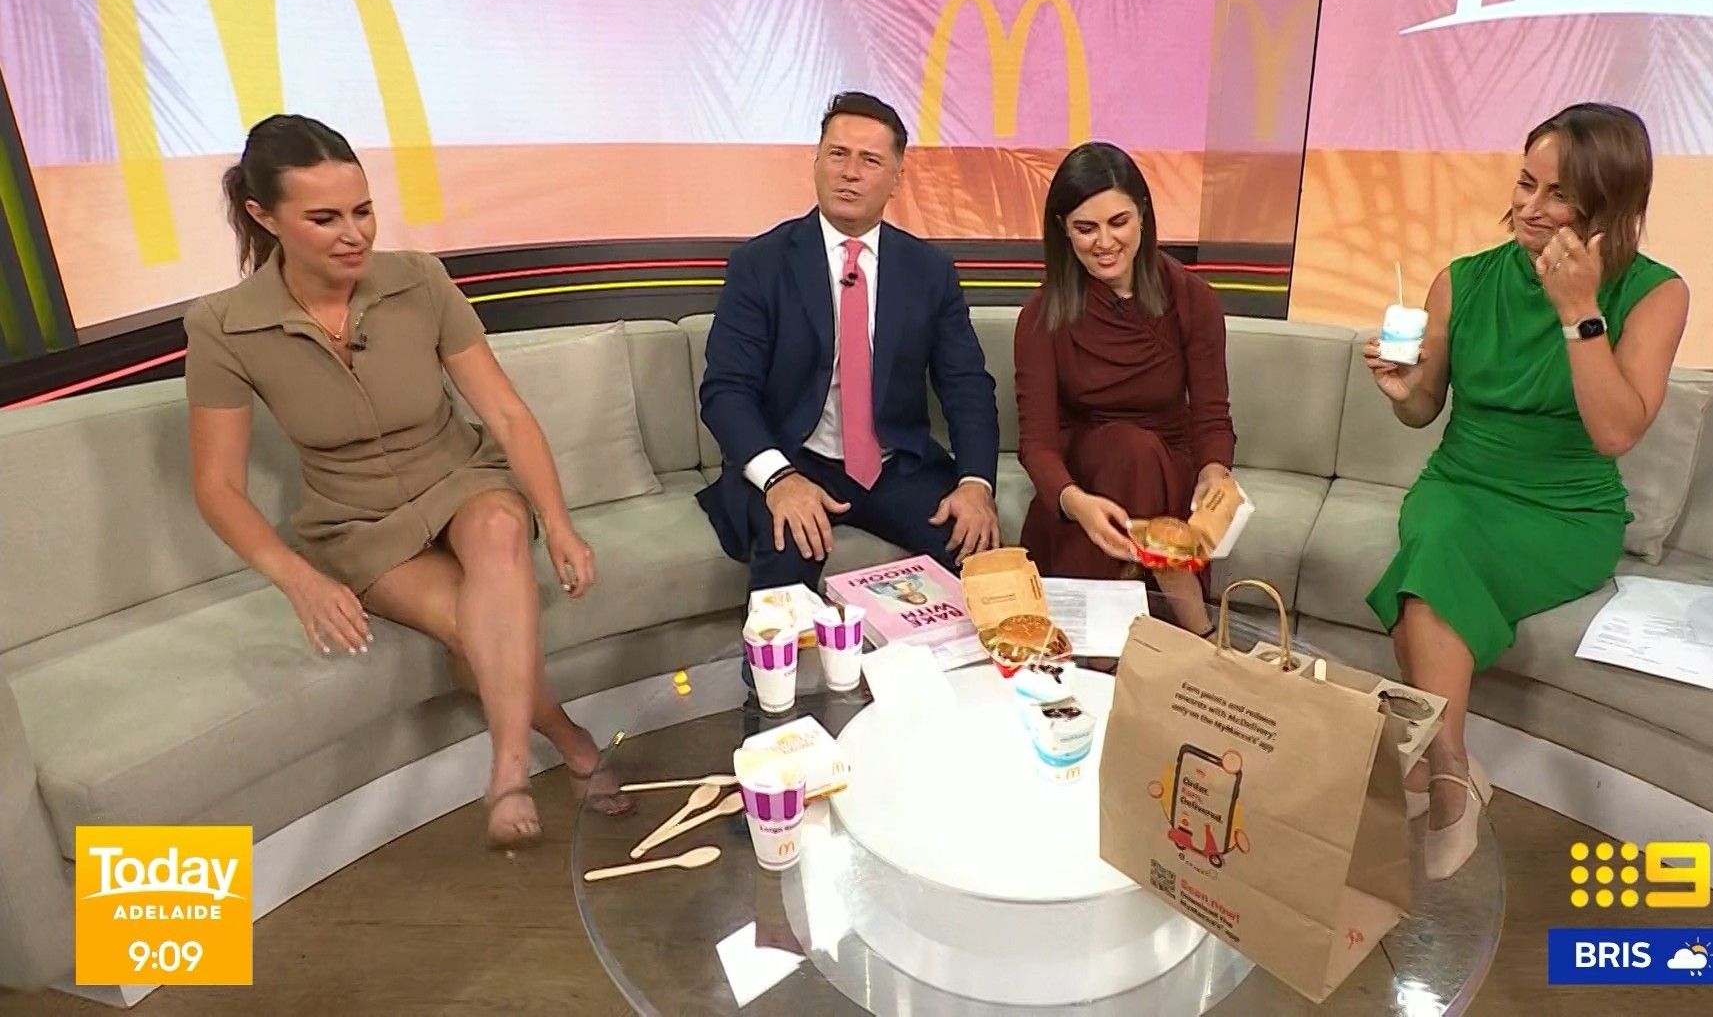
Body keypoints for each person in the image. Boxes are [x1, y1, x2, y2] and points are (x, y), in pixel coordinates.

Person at [184, 115, 630, 851]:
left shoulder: (419, 279)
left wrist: (558, 522)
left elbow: (506, 414)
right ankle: (570, 738)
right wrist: (298, 579)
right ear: (264, 216)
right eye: (324, 218)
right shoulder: (222, 327)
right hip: (356, 523)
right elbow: (217, 485)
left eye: (362, 211)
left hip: (459, 476)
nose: (353, 234)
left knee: (500, 529)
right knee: (474, 625)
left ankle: (509, 768)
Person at [1364, 103, 1690, 879]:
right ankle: (1453, 775)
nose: (1530, 208)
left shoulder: (1656, 294)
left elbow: (1615, 432)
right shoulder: (1463, 280)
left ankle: (1442, 773)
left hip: (1564, 510)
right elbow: (1422, 411)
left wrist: (1579, 310)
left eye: (1558, 195)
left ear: (1609, 205)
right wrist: (1402, 390)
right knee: (1437, 539)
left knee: (1426, 576)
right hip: (1459, 481)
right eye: (1524, 183)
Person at [697, 92, 1002, 606]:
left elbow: (966, 386)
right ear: (816, 161)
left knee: (977, 553)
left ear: (897, 177)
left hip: (894, 465)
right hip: (796, 457)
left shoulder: (929, 271)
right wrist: (778, 478)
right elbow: (725, 391)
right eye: (837, 154)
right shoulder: (761, 264)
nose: (850, 173)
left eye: (870, 160)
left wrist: (976, 483)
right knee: (787, 547)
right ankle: (771, 663)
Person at [1012, 142, 1235, 636]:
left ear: (1143, 215)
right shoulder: (1041, 316)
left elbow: (1212, 417)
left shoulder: (1193, 300)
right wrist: (1075, 503)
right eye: (1085, 228)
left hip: (1167, 466)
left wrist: (1213, 474)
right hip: (1085, 480)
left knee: (1139, 454)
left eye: (1119, 222)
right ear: (1063, 230)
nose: (1104, 242)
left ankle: (1104, 639)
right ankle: (1195, 631)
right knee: (1127, 452)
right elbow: (1038, 444)